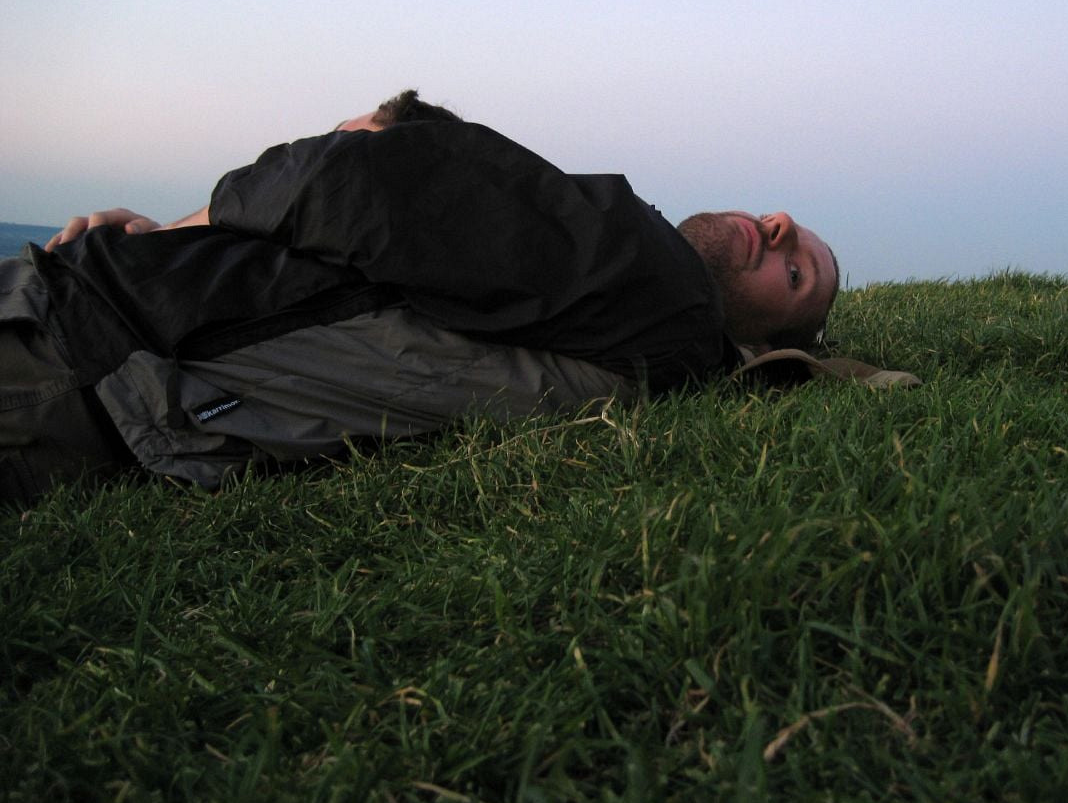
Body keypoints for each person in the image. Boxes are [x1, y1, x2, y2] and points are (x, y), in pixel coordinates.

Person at [4, 91, 908, 503]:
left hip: (80, 338)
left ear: (767, 338)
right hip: (111, 386)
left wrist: (163, 231)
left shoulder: (652, 275)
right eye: (792, 230)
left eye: (796, 274)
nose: (779, 228)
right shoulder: (630, 323)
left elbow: (354, 184)